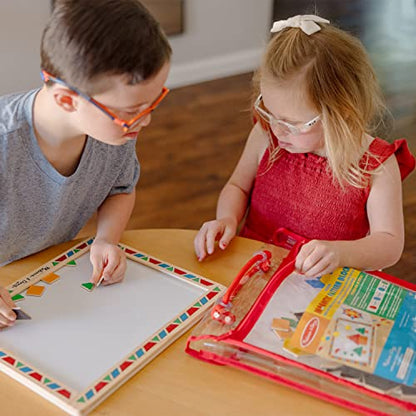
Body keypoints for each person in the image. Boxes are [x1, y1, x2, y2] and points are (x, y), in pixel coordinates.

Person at [194, 15, 415, 278]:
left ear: (340, 112)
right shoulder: (266, 135)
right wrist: (227, 218)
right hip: (257, 268)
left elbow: (389, 243)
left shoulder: (375, 164)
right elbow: (237, 186)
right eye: (269, 112)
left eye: (293, 124)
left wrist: (340, 253)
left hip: (324, 285)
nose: (277, 129)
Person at [0, 0, 171, 328]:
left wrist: (106, 238)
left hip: (46, 273)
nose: (145, 120)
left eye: (153, 103)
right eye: (132, 110)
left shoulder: (116, 133)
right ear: (67, 100)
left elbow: (120, 189)